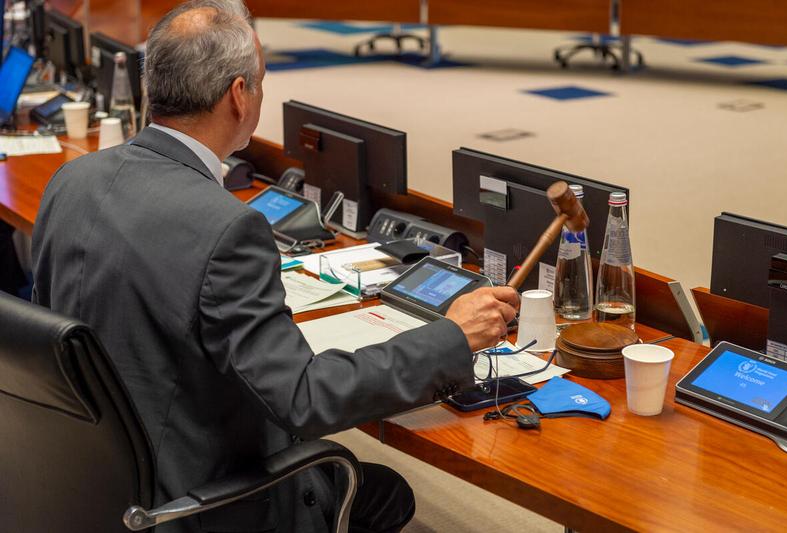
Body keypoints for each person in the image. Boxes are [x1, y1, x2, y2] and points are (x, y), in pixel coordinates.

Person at [31, 1, 520, 532]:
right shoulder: (225, 226)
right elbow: (304, 400)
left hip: (82, 486)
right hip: (188, 505)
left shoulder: (72, 181)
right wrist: (452, 337)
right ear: (239, 97)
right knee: (384, 492)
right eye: (261, 83)